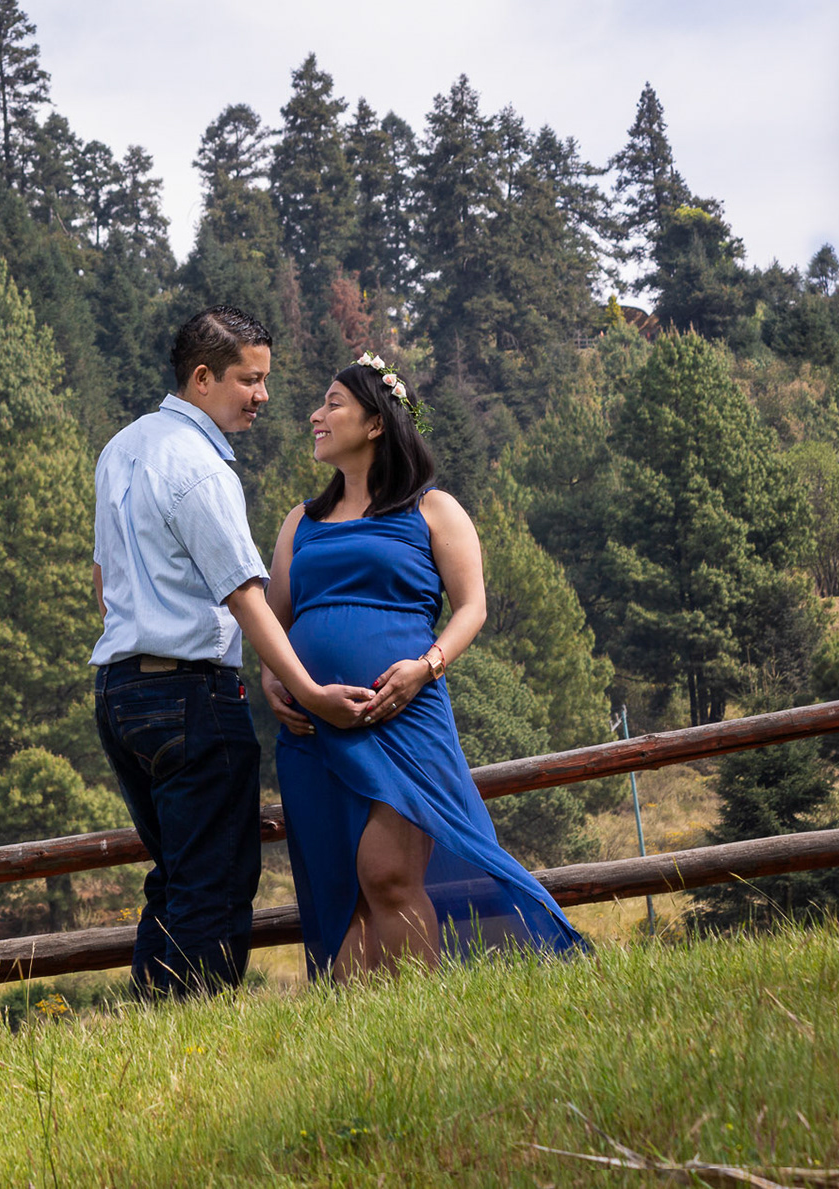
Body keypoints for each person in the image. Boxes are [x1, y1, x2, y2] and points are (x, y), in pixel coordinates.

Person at [261, 355, 586, 981]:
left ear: (377, 421)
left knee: (387, 874)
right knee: (339, 892)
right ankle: (354, 1040)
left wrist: (424, 667)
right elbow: (273, 619)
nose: (315, 415)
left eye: (332, 403)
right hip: (311, 728)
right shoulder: (300, 522)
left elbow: (472, 608)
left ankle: (421, 1017)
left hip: (401, 719)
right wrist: (278, 680)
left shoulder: (433, 510)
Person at [91, 307, 373, 998]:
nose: (264, 396)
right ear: (203, 376)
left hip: (120, 692)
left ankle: (155, 1033)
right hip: (190, 695)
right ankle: (195, 1037)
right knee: (213, 882)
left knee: (177, 874)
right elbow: (245, 594)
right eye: (252, 379)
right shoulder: (199, 465)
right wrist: (306, 692)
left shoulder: (120, 448)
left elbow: (103, 582)